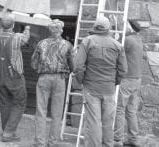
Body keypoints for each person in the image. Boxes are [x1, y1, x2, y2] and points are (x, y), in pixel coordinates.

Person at [74, 16, 127, 147]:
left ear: (95, 27)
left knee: (93, 121)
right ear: (108, 29)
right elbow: (123, 70)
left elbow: (78, 67)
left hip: (91, 87)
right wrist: (114, 82)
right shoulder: (117, 45)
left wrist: (82, 81)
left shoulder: (87, 42)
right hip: (108, 89)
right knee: (108, 121)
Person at [31, 19, 74, 147]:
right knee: (57, 112)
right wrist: (68, 71)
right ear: (61, 30)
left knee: (41, 111)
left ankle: (39, 143)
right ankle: (53, 142)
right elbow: (73, 65)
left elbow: (33, 63)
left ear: (50, 30)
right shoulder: (67, 45)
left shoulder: (41, 43)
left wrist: (42, 70)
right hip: (60, 79)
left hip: (44, 78)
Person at [0, 13, 30, 142]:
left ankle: (6, 130)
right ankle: (8, 133)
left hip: (0, 75)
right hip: (14, 76)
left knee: (5, 103)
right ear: (13, 25)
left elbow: (2, 26)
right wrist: (28, 26)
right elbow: (26, 39)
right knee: (20, 103)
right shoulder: (18, 37)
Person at [114, 20, 144, 147]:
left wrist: (117, 33)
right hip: (137, 79)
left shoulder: (127, 40)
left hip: (127, 79)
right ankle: (134, 139)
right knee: (131, 110)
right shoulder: (138, 40)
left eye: (125, 25)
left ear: (130, 28)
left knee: (120, 109)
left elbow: (116, 50)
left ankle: (117, 140)